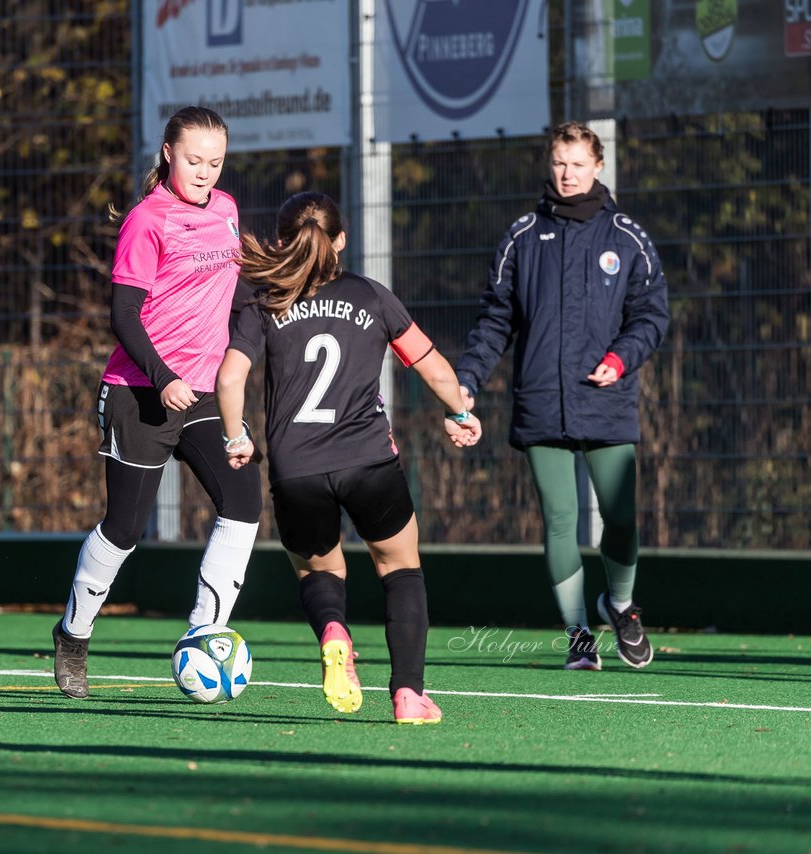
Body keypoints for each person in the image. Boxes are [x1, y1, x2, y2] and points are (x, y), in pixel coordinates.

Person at [216, 191, 482, 724]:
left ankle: (334, 629)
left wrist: (236, 438)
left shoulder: (264, 300)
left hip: (297, 470)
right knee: (401, 568)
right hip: (369, 462)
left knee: (318, 571)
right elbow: (432, 369)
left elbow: (229, 377)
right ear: (340, 240)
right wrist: (459, 414)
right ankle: (408, 694)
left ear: (282, 242)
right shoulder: (372, 296)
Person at [51, 106, 262, 699]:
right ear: (168, 154)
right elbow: (122, 315)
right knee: (123, 529)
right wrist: (161, 374)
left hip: (200, 395)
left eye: (215, 163)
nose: (205, 173)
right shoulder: (147, 220)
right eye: (194, 160)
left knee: (244, 501)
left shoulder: (225, 211)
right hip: (139, 393)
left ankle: (205, 631)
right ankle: (73, 634)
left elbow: (234, 290)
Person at [454, 121, 670, 671]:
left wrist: (620, 359)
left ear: (598, 167)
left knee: (620, 518)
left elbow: (651, 316)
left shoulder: (628, 237)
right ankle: (579, 635)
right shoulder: (523, 236)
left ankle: (620, 605)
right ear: (548, 166)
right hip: (542, 403)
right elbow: (495, 321)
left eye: (578, 163)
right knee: (560, 519)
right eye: (559, 163)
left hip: (607, 402)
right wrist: (467, 380)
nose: (567, 174)